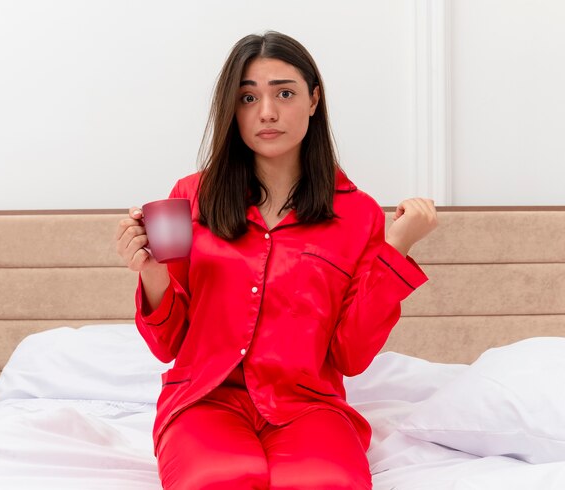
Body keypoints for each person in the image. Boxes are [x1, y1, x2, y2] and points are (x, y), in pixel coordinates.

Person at [116, 30, 437, 490]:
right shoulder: (188, 198)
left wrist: (396, 248)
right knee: (222, 478)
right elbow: (169, 345)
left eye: (284, 93)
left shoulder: (358, 213)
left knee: (325, 483)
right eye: (248, 98)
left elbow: (351, 354)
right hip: (204, 400)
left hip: (308, 403)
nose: (266, 112)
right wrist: (151, 273)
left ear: (313, 99)